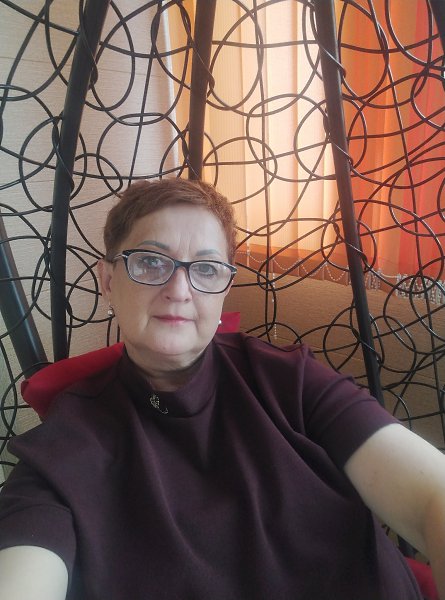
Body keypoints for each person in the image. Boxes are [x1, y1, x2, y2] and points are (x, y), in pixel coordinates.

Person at [0, 178, 444, 600]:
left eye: (207, 269)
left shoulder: (292, 380)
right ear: (109, 281)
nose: (179, 290)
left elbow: (432, 496)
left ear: (224, 288)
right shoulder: (67, 444)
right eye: (151, 262)